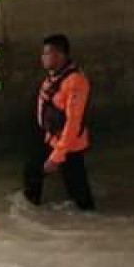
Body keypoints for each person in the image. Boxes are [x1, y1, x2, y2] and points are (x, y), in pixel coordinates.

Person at [24, 34, 94, 210]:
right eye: (43, 54)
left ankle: (89, 217)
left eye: (47, 54)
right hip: (50, 137)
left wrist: (56, 157)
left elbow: (73, 123)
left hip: (70, 145)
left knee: (79, 192)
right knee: (32, 170)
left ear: (60, 55)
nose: (43, 58)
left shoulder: (75, 82)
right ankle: (32, 208)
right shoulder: (53, 77)